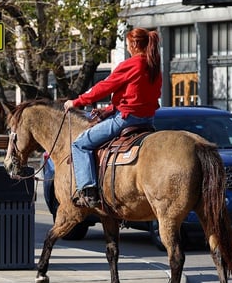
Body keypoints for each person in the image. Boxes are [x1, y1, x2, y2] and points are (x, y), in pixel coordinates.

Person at [63, 28, 162, 208]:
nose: (128, 48)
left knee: (80, 144)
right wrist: (109, 109)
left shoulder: (133, 63)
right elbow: (137, 95)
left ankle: (88, 190)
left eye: (127, 45)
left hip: (126, 119)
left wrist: (76, 102)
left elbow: (104, 87)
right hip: (148, 120)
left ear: (133, 44)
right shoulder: (153, 66)